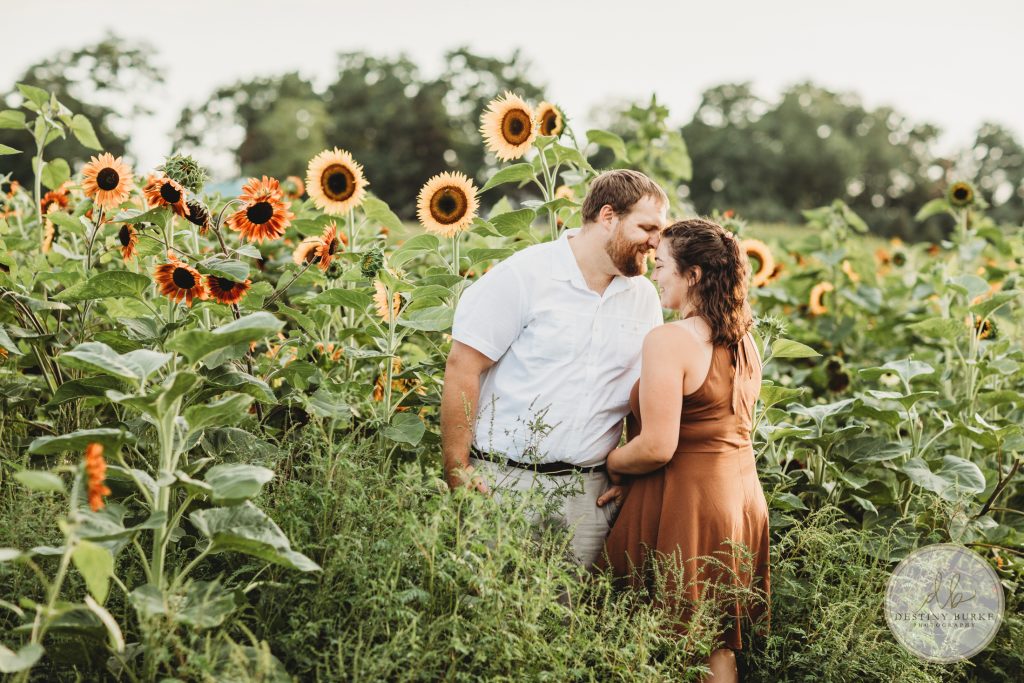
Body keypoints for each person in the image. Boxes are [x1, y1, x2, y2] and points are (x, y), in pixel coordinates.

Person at [441, 169, 668, 569]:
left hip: (588, 492)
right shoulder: (525, 275)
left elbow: (641, 391)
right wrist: (457, 470)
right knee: (490, 615)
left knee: (569, 622)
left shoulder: (644, 298)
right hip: (504, 483)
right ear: (608, 216)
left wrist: (630, 472)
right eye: (647, 227)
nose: (656, 242)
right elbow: (463, 367)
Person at [594, 218, 771, 683]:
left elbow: (657, 446)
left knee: (644, 638)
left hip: (688, 502)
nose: (655, 276)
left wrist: (611, 462)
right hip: (740, 499)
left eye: (662, 265)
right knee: (713, 641)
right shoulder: (745, 341)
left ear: (692, 275)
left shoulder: (671, 340)